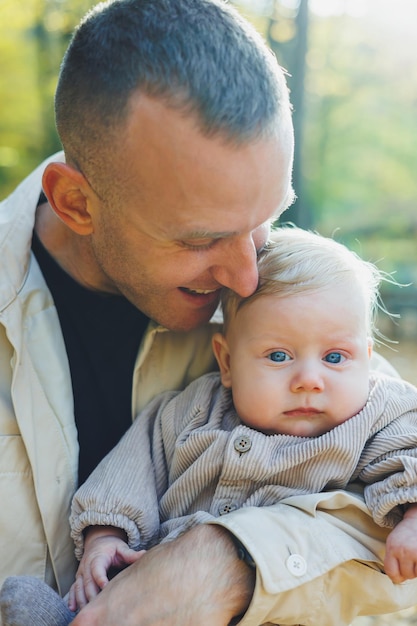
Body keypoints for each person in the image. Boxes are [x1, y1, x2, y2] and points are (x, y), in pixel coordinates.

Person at [0, 0, 415, 624]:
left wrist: (231, 561)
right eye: (200, 240)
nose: (245, 276)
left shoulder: (284, 301)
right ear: (77, 203)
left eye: (267, 218)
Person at [2, 226, 417, 626]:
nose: (309, 379)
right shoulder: (189, 411)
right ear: (228, 361)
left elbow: (410, 451)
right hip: (148, 594)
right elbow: (129, 472)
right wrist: (105, 539)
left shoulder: (376, 413)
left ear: (365, 356)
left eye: (335, 357)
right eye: (277, 356)